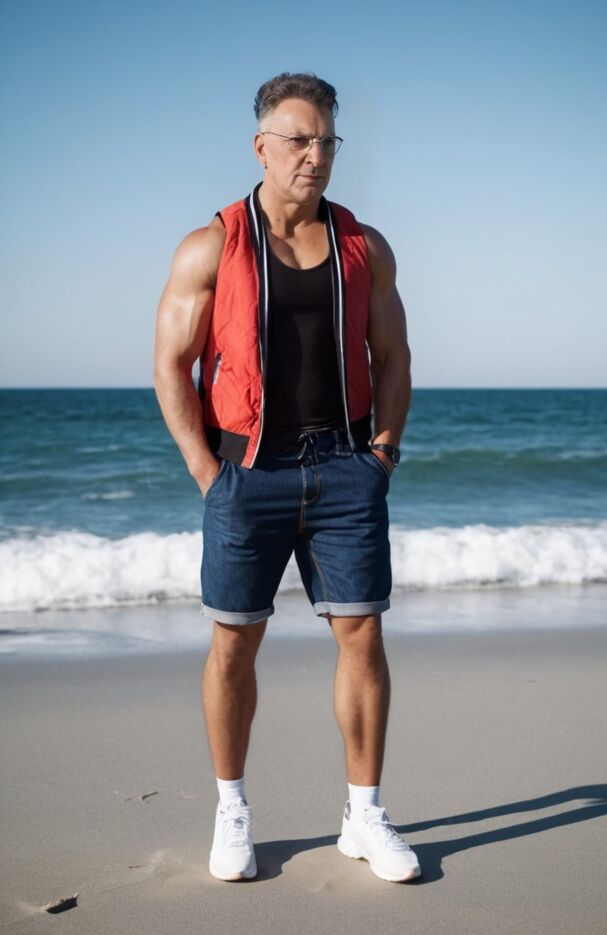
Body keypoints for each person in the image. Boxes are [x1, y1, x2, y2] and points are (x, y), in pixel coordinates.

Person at [154, 72, 419, 884]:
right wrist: (208, 470)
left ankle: (364, 816)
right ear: (261, 146)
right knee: (234, 642)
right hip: (248, 471)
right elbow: (170, 363)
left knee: (362, 636)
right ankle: (232, 809)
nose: (316, 155)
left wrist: (382, 453)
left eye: (327, 141)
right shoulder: (210, 245)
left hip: (346, 469)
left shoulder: (364, 246)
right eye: (300, 140)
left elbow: (394, 355)